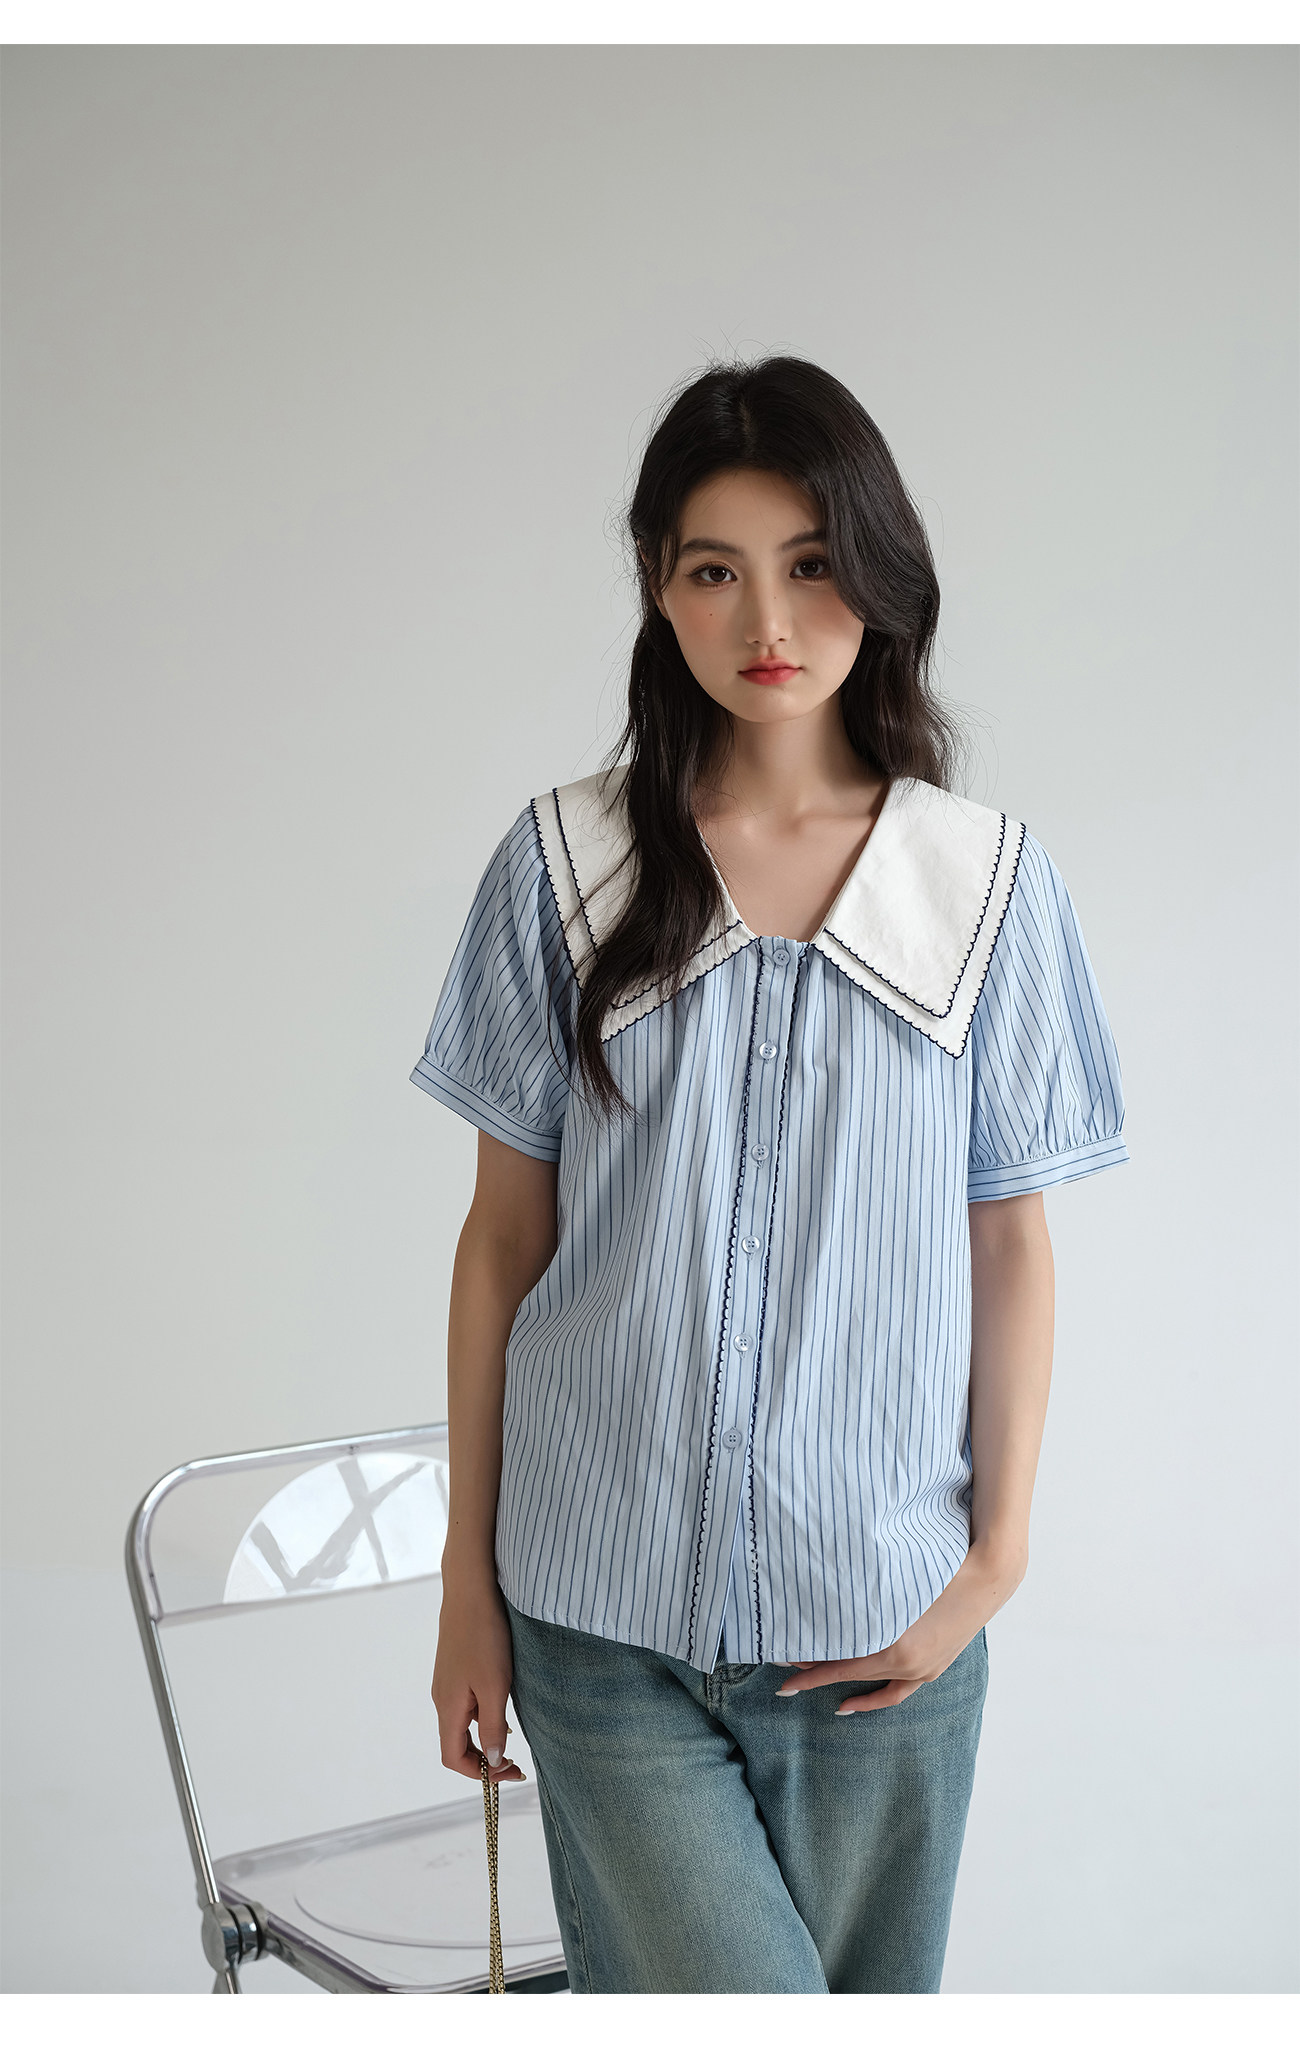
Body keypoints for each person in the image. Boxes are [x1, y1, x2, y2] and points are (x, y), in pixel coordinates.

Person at [414, 356, 1129, 1995]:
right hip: (598, 1623)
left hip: (883, 1629)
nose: (767, 619)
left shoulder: (988, 890)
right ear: (656, 587)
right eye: (712, 570)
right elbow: (501, 1241)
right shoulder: (567, 864)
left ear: (877, 571)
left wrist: (993, 1565)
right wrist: (467, 1584)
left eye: (810, 564)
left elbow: (1010, 1246)